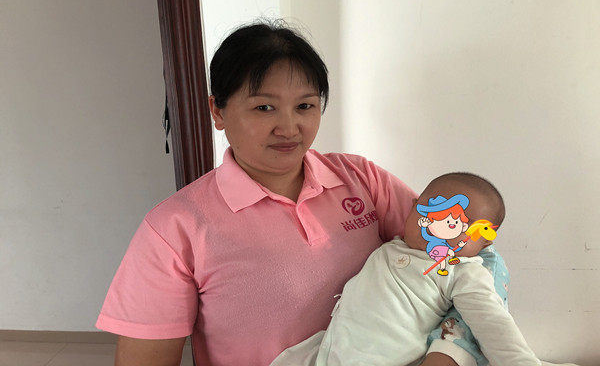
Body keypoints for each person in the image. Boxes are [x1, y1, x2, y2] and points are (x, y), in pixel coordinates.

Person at [96, 21, 501, 366]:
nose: (289, 128)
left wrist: (451, 351)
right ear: (217, 110)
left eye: (305, 106)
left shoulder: (361, 179)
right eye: (264, 108)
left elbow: (472, 259)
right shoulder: (174, 228)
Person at [270, 173, 573, 366]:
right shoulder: (393, 246)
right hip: (332, 350)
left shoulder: (462, 271)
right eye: (431, 213)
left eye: (461, 225)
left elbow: (492, 322)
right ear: (413, 208)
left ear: (483, 242)